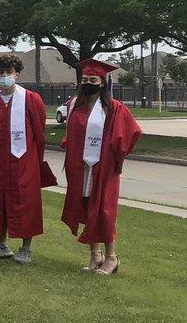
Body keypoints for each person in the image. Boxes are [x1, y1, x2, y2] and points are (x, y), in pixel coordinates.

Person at [60, 58, 141, 275]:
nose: (88, 82)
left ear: (103, 82)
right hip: (80, 168)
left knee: (104, 210)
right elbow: (70, 135)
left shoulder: (114, 108)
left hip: (103, 168)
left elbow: (132, 132)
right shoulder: (74, 104)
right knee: (86, 207)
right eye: (85, 79)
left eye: (92, 79)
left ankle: (112, 257)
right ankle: (95, 255)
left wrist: (116, 156)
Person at [0, 52, 48, 264]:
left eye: (8, 72)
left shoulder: (30, 99)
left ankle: (25, 248)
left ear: (17, 74)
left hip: (23, 161)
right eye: (0, 72)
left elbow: (39, 133)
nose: (4, 76)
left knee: (26, 202)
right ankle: (0, 243)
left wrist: (35, 162)